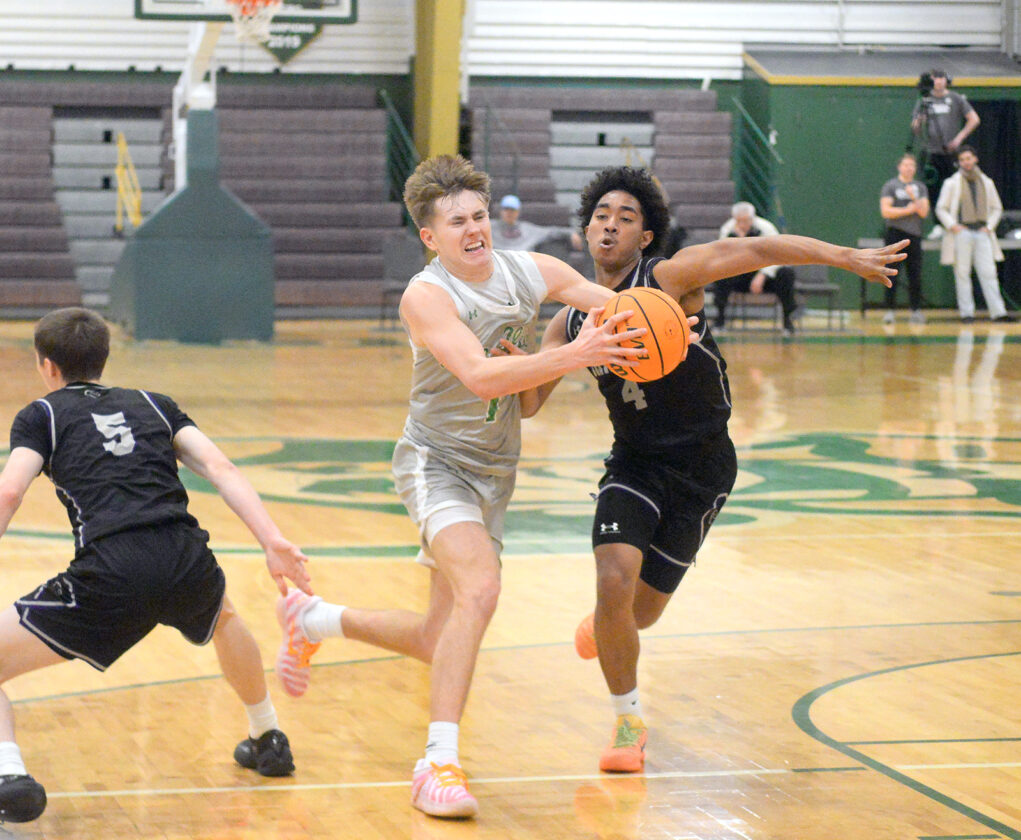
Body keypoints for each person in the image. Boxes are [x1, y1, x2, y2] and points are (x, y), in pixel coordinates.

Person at [271, 155, 646, 820]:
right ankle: (436, 764)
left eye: (478, 216)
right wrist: (573, 354)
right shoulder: (427, 296)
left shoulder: (532, 271)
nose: (473, 229)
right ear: (430, 236)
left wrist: (667, 320)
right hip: (435, 464)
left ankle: (313, 618)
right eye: (456, 222)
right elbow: (478, 375)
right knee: (481, 589)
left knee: (433, 637)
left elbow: (616, 304)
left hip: (495, 474)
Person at [522, 166, 905, 774]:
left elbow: (757, 250)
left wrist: (842, 256)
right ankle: (627, 721)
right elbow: (527, 403)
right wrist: (511, 364)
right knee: (613, 576)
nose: (611, 225)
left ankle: (607, 625)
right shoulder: (569, 321)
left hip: (704, 464)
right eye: (601, 216)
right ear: (586, 229)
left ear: (646, 237)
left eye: (626, 217)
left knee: (641, 612)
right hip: (634, 462)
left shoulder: (668, 279)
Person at [0, 308, 312, 823]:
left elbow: (11, 491)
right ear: (103, 358)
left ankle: (9, 775)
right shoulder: (154, 403)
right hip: (185, 554)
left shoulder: (41, 415)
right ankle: (267, 735)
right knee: (224, 619)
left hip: (112, 568)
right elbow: (220, 467)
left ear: (47, 365)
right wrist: (272, 539)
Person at [935, 145, 1017, 323]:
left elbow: (996, 208)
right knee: (962, 273)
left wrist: (989, 226)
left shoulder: (986, 182)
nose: (966, 162)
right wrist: (953, 225)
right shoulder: (952, 183)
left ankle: (998, 312)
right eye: (962, 160)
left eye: (968, 158)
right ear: (959, 162)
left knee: (989, 273)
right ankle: (967, 313)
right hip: (962, 233)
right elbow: (941, 208)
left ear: (975, 159)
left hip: (982, 232)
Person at [713, 202, 798, 335]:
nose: (742, 224)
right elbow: (723, 257)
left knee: (786, 273)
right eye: (739, 221)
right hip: (739, 274)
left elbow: (777, 255)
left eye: (746, 221)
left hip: (764, 276)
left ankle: (787, 321)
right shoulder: (727, 229)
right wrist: (740, 240)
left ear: (752, 218)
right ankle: (720, 321)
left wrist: (762, 275)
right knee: (720, 275)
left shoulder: (766, 228)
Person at [911, 69, 980, 202]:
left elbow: (974, 119)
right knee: (931, 191)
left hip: (949, 152)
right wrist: (919, 120)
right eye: (935, 78)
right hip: (930, 153)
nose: (939, 82)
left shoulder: (955, 98)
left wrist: (958, 139)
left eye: (941, 78)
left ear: (946, 80)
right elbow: (915, 128)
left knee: (952, 190)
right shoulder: (925, 99)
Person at [879, 153, 930, 324]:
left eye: (912, 165)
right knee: (891, 272)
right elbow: (886, 211)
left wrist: (914, 197)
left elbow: (923, 212)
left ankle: (915, 310)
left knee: (915, 274)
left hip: (914, 235)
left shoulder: (920, 187)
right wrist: (908, 210)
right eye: (906, 165)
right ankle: (889, 311)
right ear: (899, 167)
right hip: (895, 233)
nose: (909, 168)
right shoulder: (891, 186)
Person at [490, 193, 584, 252]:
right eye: (506, 209)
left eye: (512, 210)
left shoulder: (529, 230)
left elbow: (551, 232)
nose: (509, 213)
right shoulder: (489, 227)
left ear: (518, 212)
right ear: (501, 211)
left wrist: (571, 232)